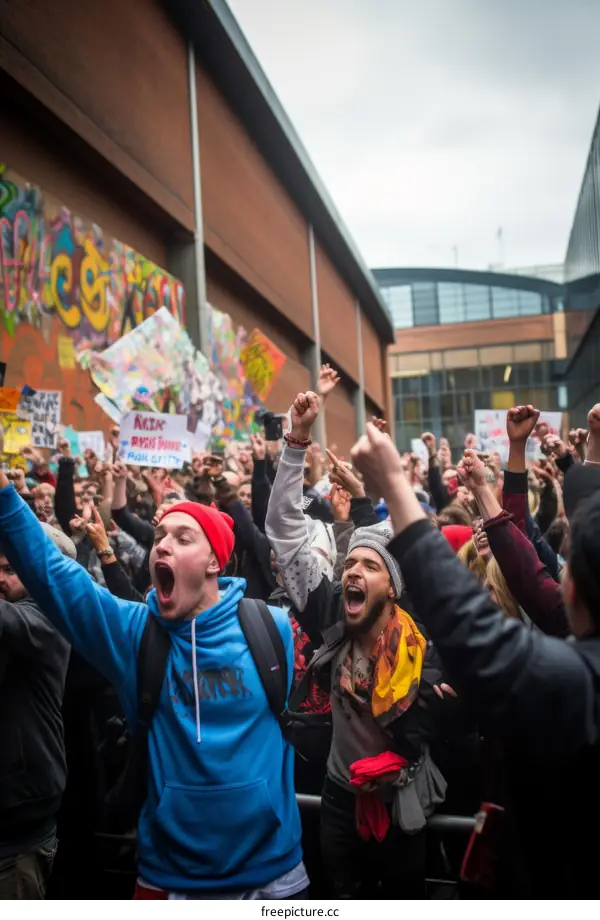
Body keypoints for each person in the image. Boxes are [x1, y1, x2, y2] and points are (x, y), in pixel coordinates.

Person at [0, 471, 305, 899]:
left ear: (215, 561)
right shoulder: (136, 634)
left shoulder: (272, 629)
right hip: (169, 881)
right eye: (159, 536)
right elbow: (55, 577)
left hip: (275, 879)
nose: (162, 544)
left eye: (183, 538)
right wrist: (4, 497)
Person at [350, 420, 600, 897]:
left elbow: (475, 630)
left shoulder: (579, 685)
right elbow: (527, 565)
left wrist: (396, 489)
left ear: (570, 589)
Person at [266, 391, 451, 899]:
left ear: (391, 588)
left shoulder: (424, 645)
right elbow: (282, 528)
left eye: (368, 566)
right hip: (339, 799)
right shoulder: (330, 615)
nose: (352, 571)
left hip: (400, 801)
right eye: (349, 564)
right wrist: (296, 441)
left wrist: (408, 747)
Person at [0, 524, 73, 899]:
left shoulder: (47, 616)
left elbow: (9, 624)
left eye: (12, 571)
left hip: (19, 827)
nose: (1, 579)